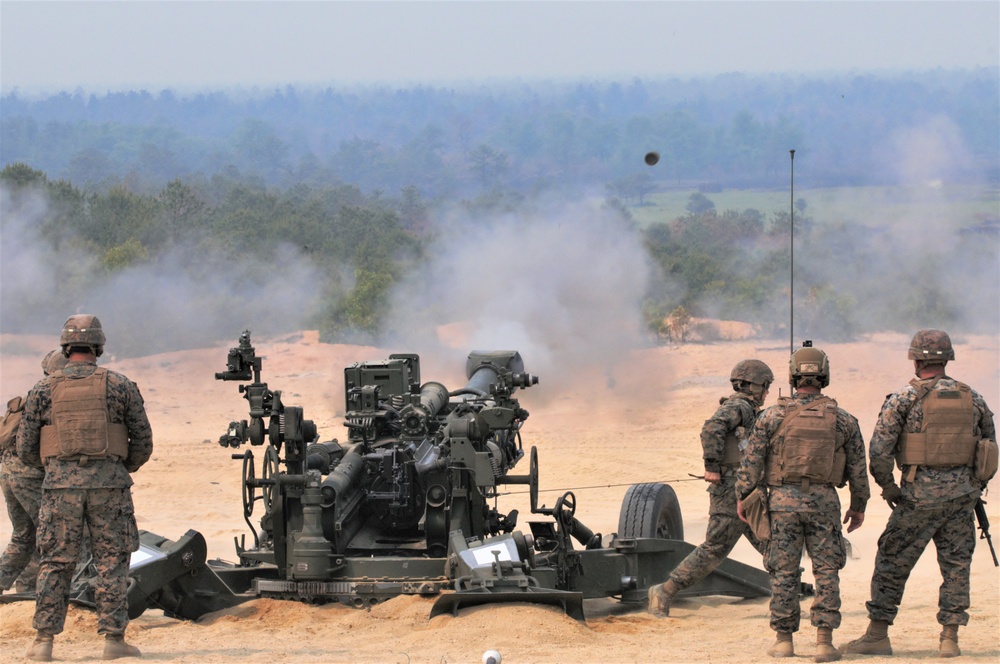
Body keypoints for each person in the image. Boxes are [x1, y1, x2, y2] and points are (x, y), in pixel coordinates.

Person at [843, 329, 996, 658]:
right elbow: (989, 451)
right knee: (956, 566)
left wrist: (889, 488)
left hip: (917, 498)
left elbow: (879, 452)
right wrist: (973, 487)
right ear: (947, 358)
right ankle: (950, 638)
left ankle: (878, 634)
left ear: (915, 359)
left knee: (891, 561)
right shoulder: (973, 398)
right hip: (961, 500)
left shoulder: (904, 399)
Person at [17, 315, 154, 661]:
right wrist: (118, 468)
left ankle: (43, 643)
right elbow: (143, 442)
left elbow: (25, 448)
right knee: (112, 560)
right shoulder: (120, 385)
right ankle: (113, 639)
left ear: (66, 347)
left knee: (55, 561)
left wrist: (55, 469)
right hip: (110, 486)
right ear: (99, 347)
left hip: (59, 488)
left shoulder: (42, 388)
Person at [736, 342, 869, 663]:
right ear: (824, 376)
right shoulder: (843, 420)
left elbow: (751, 463)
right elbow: (857, 469)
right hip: (824, 501)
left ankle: (784, 641)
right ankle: (824, 642)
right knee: (826, 570)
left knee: (783, 570)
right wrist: (858, 505)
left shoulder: (771, 416)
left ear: (793, 377)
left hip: (781, 502)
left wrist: (744, 497)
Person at [648, 358, 773, 617]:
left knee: (771, 542)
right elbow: (711, 428)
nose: (767, 392)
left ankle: (787, 594)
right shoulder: (739, 407)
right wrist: (712, 466)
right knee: (715, 549)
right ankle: (664, 591)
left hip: (747, 489)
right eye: (765, 386)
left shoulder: (746, 409)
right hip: (731, 489)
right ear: (755, 387)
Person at [0, 350, 69, 595]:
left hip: (9, 471)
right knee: (51, 533)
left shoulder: (35, 394)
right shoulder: (52, 396)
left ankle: (24, 589)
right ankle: (42, 590)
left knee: (24, 535)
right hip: (28, 473)